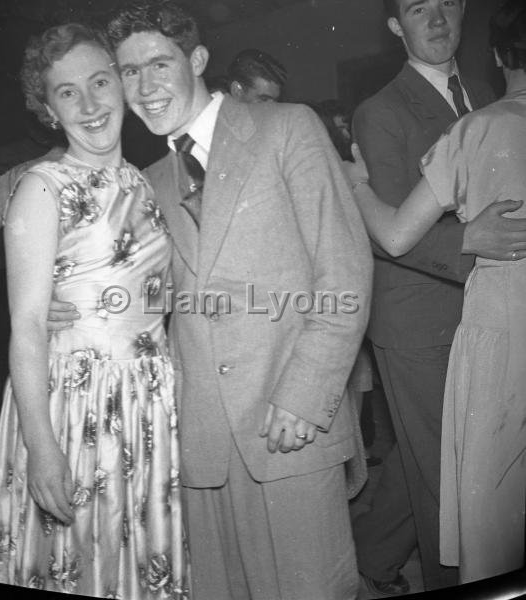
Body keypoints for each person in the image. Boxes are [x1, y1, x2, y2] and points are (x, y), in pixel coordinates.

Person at [51, 2, 372, 598]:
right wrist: (66, 306)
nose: (144, 88)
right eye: (127, 72)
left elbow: (345, 273)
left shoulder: (287, 127)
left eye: (158, 64)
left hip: (291, 422)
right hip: (199, 441)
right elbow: (141, 298)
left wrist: (306, 395)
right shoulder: (147, 181)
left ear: (197, 60)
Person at [0, 23, 188, 597]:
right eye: (68, 91)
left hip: (148, 401)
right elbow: (24, 326)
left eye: (101, 82)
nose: (91, 103)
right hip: (73, 408)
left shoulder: (148, 185)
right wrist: (42, 448)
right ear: (47, 108)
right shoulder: (41, 188)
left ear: (123, 88)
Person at [349, 0, 526, 593]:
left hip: (488, 310)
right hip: (419, 314)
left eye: (447, 1)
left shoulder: (485, 91)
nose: (437, 18)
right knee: (444, 477)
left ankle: (371, 559)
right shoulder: (379, 112)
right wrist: (467, 241)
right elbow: (386, 229)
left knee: (434, 453)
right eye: (418, 7)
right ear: (397, 26)